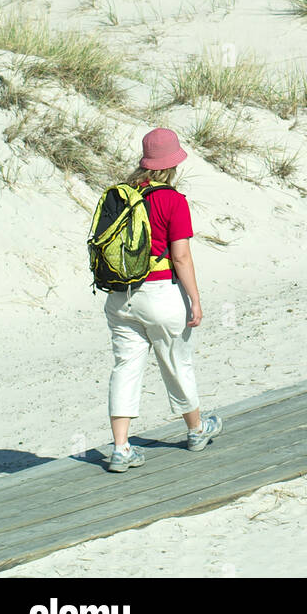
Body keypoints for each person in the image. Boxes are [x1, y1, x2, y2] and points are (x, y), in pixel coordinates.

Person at [103, 127, 222, 472]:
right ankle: (196, 430)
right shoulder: (173, 200)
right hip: (160, 294)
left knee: (125, 367)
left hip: (119, 297)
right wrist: (195, 300)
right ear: (172, 164)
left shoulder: (120, 194)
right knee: (176, 363)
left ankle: (121, 448)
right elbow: (181, 257)